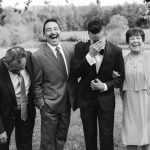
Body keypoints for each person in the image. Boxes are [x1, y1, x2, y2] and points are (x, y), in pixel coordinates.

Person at [72, 18, 125, 150]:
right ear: (88, 34)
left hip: (106, 100)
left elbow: (121, 77)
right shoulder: (80, 47)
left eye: (99, 40)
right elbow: (75, 73)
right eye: (94, 41)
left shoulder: (116, 51)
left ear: (105, 34)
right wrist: (89, 55)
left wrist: (105, 86)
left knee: (107, 136)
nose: (97, 44)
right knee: (89, 136)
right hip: (86, 100)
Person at [32, 18, 77, 150]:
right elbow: (36, 84)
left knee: (61, 138)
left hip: (67, 103)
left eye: (55, 29)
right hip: (49, 106)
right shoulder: (38, 56)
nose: (53, 32)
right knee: (48, 142)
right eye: (48, 30)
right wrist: (41, 105)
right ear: (44, 34)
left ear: (60, 31)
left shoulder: (70, 50)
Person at [0, 46, 36, 150]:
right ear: (7, 64)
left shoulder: (28, 57)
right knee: (2, 145)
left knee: (25, 145)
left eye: (23, 67)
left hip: (26, 111)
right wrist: (0, 130)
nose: (22, 70)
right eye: (16, 70)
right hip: (5, 114)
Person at [121, 27, 150, 150]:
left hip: (147, 99)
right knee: (131, 129)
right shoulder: (124, 59)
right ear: (128, 43)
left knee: (146, 130)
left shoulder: (149, 56)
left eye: (138, 38)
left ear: (143, 41)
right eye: (132, 38)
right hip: (130, 100)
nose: (135, 41)